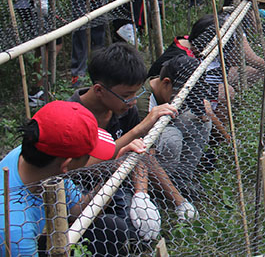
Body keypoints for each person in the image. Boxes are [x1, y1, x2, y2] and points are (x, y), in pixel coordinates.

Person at [70, 43, 197, 241]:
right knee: (127, 233)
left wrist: (142, 196)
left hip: (122, 179)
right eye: (127, 95)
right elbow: (77, 169)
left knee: (140, 229)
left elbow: (141, 153)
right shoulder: (72, 117)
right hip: (83, 193)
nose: (132, 101)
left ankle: (171, 203)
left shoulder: (123, 109)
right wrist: (139, 130)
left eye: (134, 94)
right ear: (99, 90)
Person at [0, 100, 138, 256]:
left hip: (38, 234)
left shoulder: (43, 153)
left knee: (111, 228)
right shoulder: (15, 230)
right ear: (67, 163)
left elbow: (76, 210)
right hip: (23, 243)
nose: (93, 158)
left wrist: (114, 176)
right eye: (89, 154)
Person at [147, 55, 213, 189]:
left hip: (167, 124)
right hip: (147, 143)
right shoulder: (143, 102)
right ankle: (159, 189)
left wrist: (201, 110)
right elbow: (148, 150)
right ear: (166, 83)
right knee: (172, 138)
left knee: (200, 123)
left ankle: (181, 181)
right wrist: (178, 201)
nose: (184, 99)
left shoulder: (172, 89)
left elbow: (202, 116)